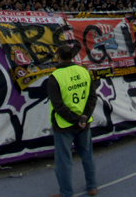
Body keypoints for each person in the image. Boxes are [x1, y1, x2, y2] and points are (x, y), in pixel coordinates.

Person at [48, 44, 98, 197]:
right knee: (87, 156)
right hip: (84, 123)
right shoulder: (84, 71)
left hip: (64, 125)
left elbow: (58, 106)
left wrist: (76, 120)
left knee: (64, 162)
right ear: (72, 56)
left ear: (58, 57)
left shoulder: (55, 77)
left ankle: (66, 193)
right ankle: (92, 187)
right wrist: (83, 118)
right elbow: (92, 97)